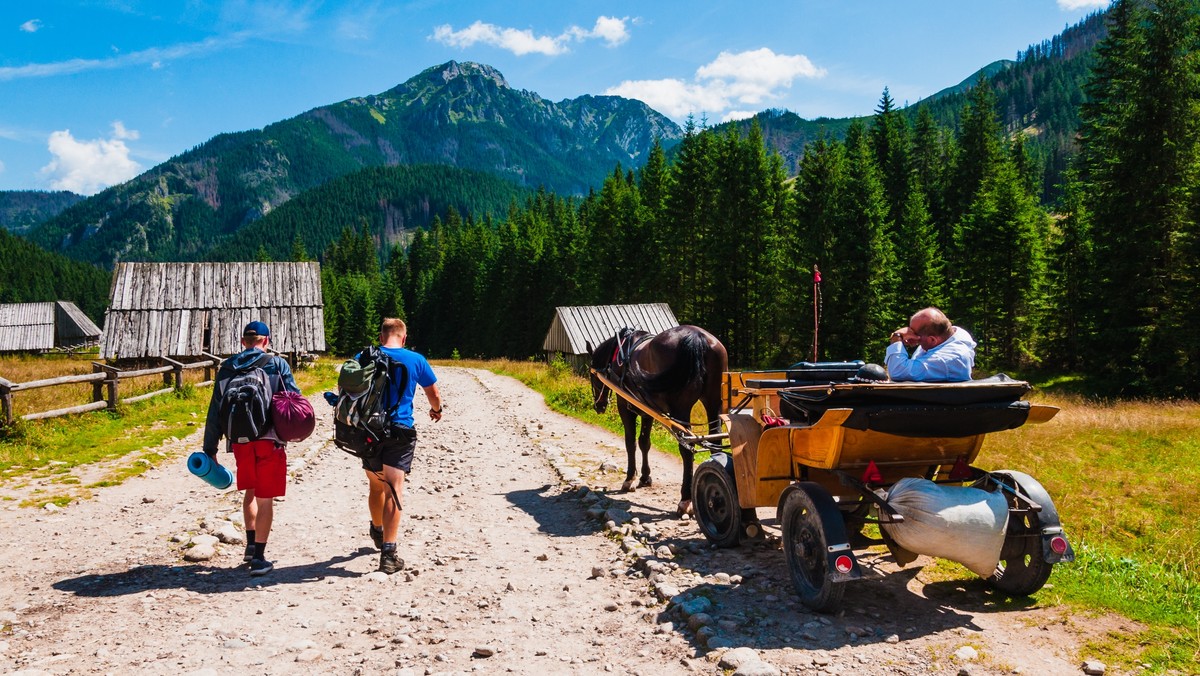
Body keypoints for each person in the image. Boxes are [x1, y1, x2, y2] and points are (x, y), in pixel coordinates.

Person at [202, 321, 301, 576]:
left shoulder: (226, 368)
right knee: (265, 499)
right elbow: (294, 398)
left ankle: (248, 546)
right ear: (265, 341)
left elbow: (215, 411)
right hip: (269, 440)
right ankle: (259, 557)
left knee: (250, 492)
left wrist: (209, 448)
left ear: (243, 341)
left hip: (240, 442)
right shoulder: (277, 364)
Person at [361, 318, 442, 575]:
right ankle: (388, 555)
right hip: (400, 430)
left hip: (368, 431)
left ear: (381, 335)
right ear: (403, 338)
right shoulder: (415, 359)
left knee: (376, 485)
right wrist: (436, 410)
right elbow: (434, 393)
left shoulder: (365, 356)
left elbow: (346, 388)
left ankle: (377, 528)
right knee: (393, 488)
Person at [885, 307, 976, 382]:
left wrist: (896, 337)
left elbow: (898, 372)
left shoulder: (946, 359)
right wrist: (920, 340)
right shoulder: (950, 334)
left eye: (914, 334)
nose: (909, 334)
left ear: (932, 340)